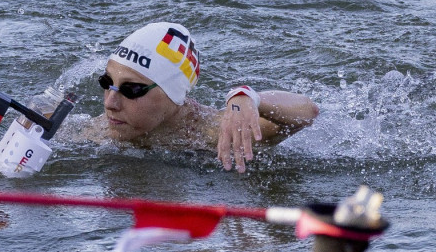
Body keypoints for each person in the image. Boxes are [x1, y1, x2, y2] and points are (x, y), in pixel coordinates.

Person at [86, 22, 319, 173]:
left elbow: (307, 111)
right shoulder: (96, 131)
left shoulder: (213, 134)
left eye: (131, 90)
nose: (110, 103)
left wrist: (246, 97)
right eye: (106, 83)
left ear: (173, 94)